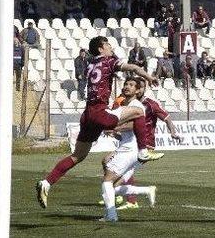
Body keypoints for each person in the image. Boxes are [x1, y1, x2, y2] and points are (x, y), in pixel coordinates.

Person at [36, 36, 164, 209]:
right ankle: (143, 152)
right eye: (108, 45)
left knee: (77, 156)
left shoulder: (90, 64)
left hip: (87, 114)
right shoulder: (108, 61)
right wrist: (149, 77)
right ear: (101, 48)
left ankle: (47, 182)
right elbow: (132, 67)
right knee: (139, 111)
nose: (111, 48)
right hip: (99, 112)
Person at [98, 78, 158, 221]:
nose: (127, 87)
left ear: (137, 90)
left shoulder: (137, 106)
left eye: (131, 85)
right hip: (126, 147)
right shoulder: (124, 104)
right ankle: (146, 191)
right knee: (111, 184)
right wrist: (114, 132)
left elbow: (133, 126)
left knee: (107, 181)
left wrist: (115, 127)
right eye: (126, 84)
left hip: (130, 149)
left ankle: (111, 216)